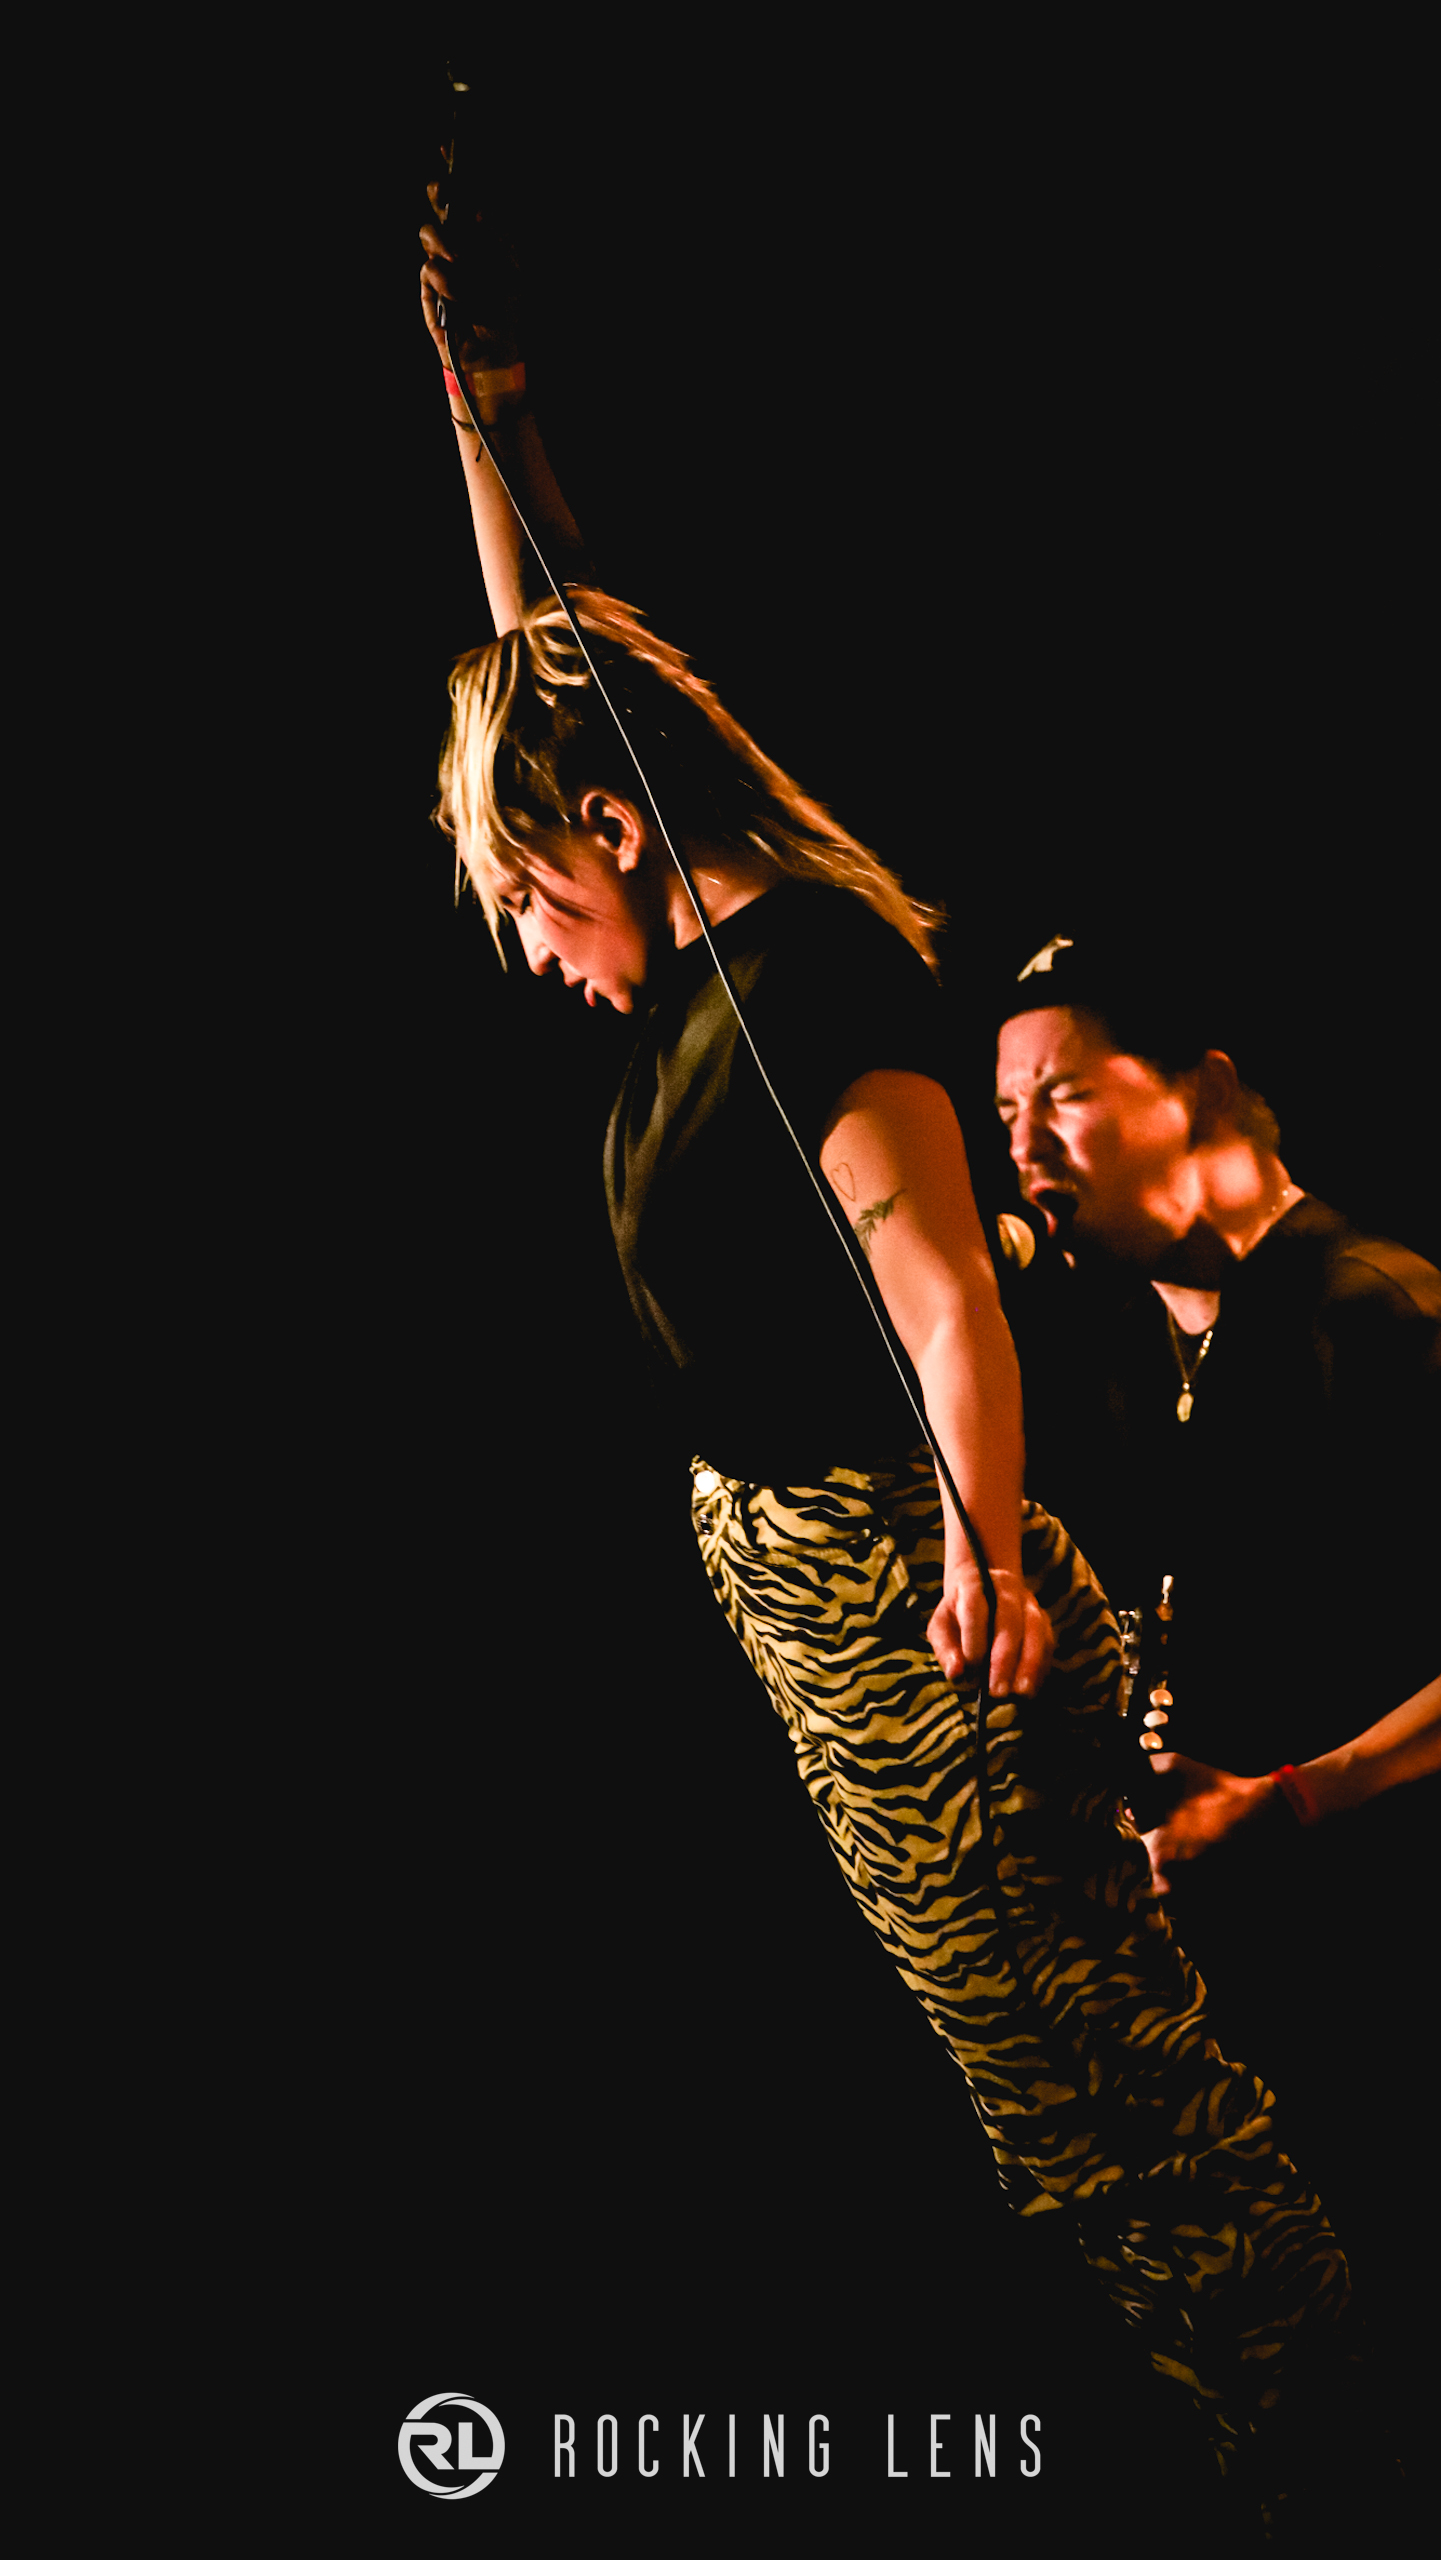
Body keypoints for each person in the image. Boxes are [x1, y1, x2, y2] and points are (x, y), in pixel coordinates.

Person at [416, 190, 1378, 2530]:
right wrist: (475, 416)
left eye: (531, 896)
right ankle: (1264, 2395)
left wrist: (983, 1561)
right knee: (1029, 2070)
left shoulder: (811, 1001)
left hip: (907, 1600)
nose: (531, 952)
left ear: (617, 837)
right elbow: (552, 672)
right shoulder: (689, 939)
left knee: (1090, 2073)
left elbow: (946, 1293)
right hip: (827, 1593)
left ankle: (1329, 2420)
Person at [990, 929, 1440, 2260]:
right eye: (1004, 1114)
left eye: (1061, 1097)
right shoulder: (1129, 1346)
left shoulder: (1378, 1312)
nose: (1022, 1150)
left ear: (1202, 1090)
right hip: (1235, 2006)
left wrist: (1295, 1798)